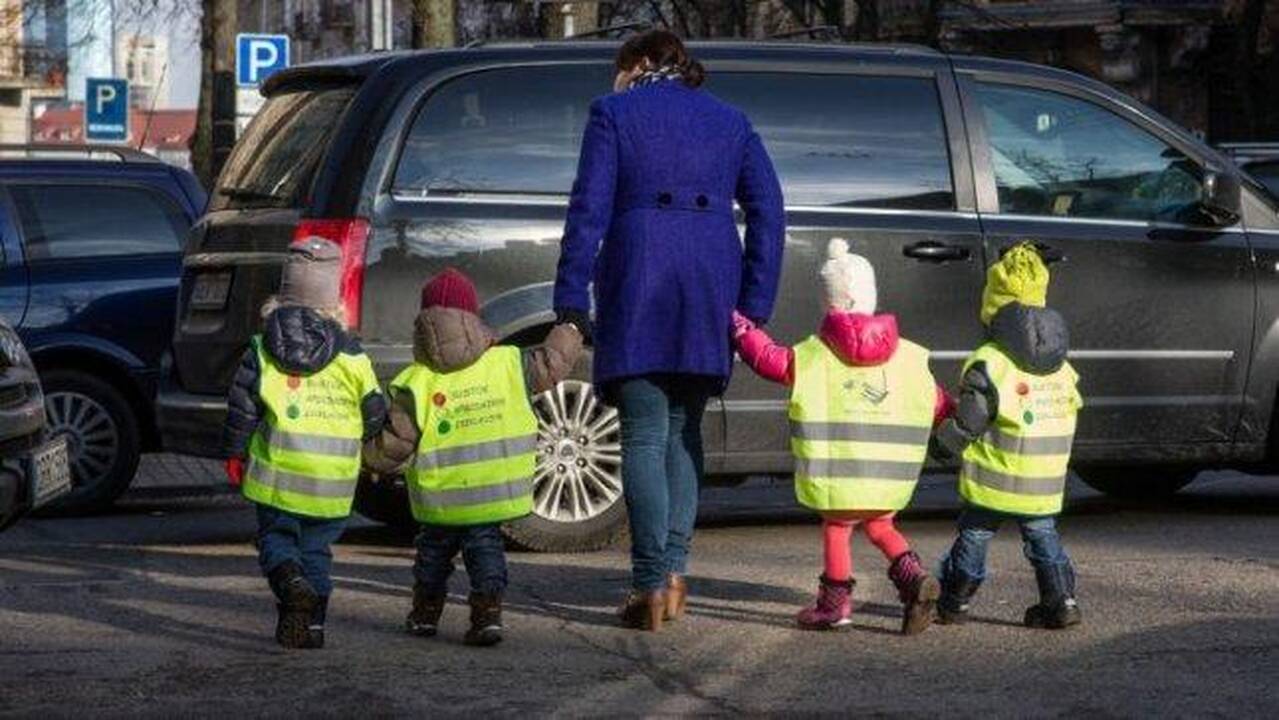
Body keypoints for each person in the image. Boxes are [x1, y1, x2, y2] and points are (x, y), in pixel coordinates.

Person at [553, 30, 785, 631]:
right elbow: (769, 210)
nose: (615, 79)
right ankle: (675, 576)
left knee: (644, 434)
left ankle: (648, 583)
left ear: (640, 63)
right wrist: (754, 301)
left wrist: (571, 299)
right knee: (684, 431)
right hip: (710, 281)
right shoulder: (731, 121)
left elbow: (587, 211)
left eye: (619, 68)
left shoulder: (613, 113)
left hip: (638, 277)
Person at [732, 239, 952, 634]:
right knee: (882, 527)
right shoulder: (908, 357)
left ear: (828, 302)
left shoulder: (814, 356)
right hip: (888, 478)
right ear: (870, 297)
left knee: (838, 528)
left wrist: (742, 330)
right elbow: (936, 402)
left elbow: (769, 360)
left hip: (840, 478)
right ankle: (914, 578)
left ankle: (835, 606)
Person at [362, 268, 582, 646]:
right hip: (491, 495)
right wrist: (572, 327)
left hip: (439, 500)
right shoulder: (509, 364)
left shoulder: (417, 381)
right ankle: (487, 613)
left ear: (425, 324)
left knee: (432, 557)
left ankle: (425, 613)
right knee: (486, 554)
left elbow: (395, 444)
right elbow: (552, 362)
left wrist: (363, 459)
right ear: (473, 318)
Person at [221, 238, 387, 649]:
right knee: (317, 551)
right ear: (334, 300)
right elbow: (374, 414)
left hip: (277, 477)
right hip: (331, 481)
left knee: (277, 540)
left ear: (282, 295)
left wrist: (236, 454)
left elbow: (241, 408)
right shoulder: (353, 357)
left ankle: (289, 582)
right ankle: (312, 626)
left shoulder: (262, 350)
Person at [935, 242, 1084, 629]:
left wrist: (944, 443)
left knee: (975, 534)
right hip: (1043, 480)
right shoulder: (1061, 365)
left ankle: (954, 601)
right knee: (1042, 537)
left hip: (994, 477)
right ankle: (1061, 601)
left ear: (993, 304)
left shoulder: (991, 361)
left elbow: (973, 416)